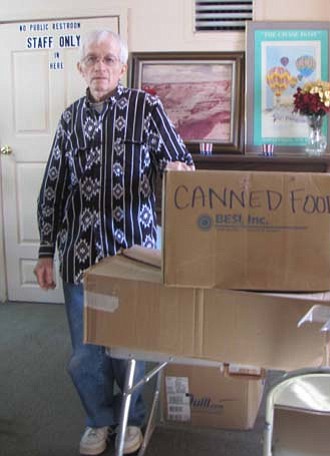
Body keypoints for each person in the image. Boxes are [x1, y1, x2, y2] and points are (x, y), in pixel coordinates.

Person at [34, 29, 194, 455]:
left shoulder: (147, 108)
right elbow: (54, 185)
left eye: (109, 59)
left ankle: (132, 419)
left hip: (133, 258)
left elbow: (182, 164)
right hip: (80, 260)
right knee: (86, 355)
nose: (100, 67)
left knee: (129, 348)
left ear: (122, 67)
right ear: (81, 68)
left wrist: (176, 171)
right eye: (93, 59)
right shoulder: (69, 119)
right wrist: (46, 250)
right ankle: (99, 419)